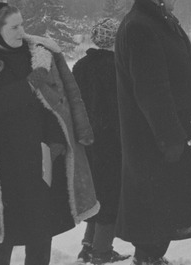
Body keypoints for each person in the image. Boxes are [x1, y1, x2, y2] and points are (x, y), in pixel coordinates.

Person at [0, 2, 99, 265]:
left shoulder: (38, 54)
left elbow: (64, 97)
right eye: (14, 27)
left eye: (22, 24)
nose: (22, 31)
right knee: (0, 236)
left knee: (41, 230)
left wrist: (58, 141)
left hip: (40, 158)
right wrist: (30, 84)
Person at [115, 0, 191, 265]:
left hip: (168, 132)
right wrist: (170, 138)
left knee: (161, 206)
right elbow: (152, 90)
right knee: (154, 206)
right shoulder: (140, 27)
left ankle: (151, 257)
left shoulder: (158, 22)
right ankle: (148, 258)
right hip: (155, 138)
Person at [73, 18, 130, 265]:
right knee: (110, 195)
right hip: (113, 140)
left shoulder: (81, 66)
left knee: (97, 194)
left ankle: (88, 247)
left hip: (86, 141)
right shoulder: (118, 67)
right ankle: (101, 251)